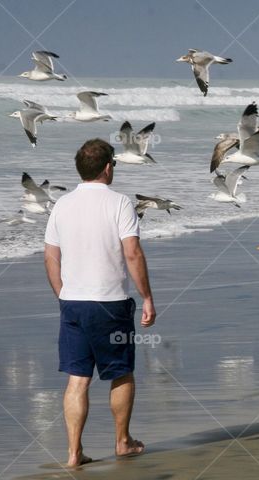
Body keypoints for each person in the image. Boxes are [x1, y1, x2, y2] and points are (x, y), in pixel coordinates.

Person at [43, 138, 156, 467]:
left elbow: (51, 255)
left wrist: (63, 292)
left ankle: (73, 452)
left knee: (78, 378)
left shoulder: (61, 204)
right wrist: (147, 296)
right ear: (108, 168)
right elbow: (132, 252)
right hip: (109, 303)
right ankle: (122, 441)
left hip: (73, 303)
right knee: (120, 373)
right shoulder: (119, 203)